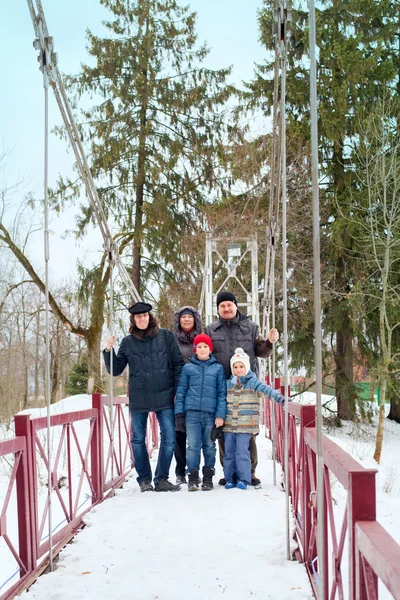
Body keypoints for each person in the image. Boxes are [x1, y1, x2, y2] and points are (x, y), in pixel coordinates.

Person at [103, 301, 184, 493]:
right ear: (133, 319)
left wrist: (177, 391)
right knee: (138, 439)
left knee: (169, 437)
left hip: (165, 395)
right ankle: (144, 479)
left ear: (150, 317)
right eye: (138, 317)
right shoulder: (128, 342)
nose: (142, 319)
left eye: (145, 316)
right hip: (139, 396)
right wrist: (108, 350)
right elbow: (116, 369)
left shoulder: (165, 336)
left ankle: (162, 478)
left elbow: (178, 364)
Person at [205, 290, 279, 486]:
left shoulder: (251, 327)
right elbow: (205, 354)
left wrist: (270, 342)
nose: (226, 308)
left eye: (230, 304)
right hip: (223, 387)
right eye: (222, 306)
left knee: (247, 429)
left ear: (236, 305)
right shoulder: (211, 330)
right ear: (218, 309)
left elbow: (261, 351)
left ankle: (250, 471)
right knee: (224, 427)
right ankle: (228, 472)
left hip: (247, 388)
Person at [223, 348, 286, 490]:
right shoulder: (228, 383)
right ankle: (229, 478)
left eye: (241, 366)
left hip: (245, 425)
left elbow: (267, 390)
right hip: (229, 425)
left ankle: (244, 479)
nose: (239, 370)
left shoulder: (253, 382)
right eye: (236, 367)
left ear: (247, 367)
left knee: (242, 453)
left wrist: (280, 398)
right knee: (229, 453)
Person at [174, 334, 226, 492]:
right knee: (192, 446)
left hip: (210, 414)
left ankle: (208, 476)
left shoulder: (218, 368)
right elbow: (181, 391)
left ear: (210, 349)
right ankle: (193, 476)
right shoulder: (188, 368)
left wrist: (220, 415)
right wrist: (179, 414)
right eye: (199, 347)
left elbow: (221, 393)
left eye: (205, 346)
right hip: (192, 414)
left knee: (209, 445)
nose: (202, 349)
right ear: (195, 349)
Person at [172, 306, 202, 485]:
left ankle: (196, 470)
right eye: (183, 317)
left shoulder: (202, 339)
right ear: (178, 320)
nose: (186, 320)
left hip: (199, 391)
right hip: (179, 390)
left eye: (190, 316)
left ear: (195, 319)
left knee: (198, 431)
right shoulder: (171, 340)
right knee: (179, 431)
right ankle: (180, 471)